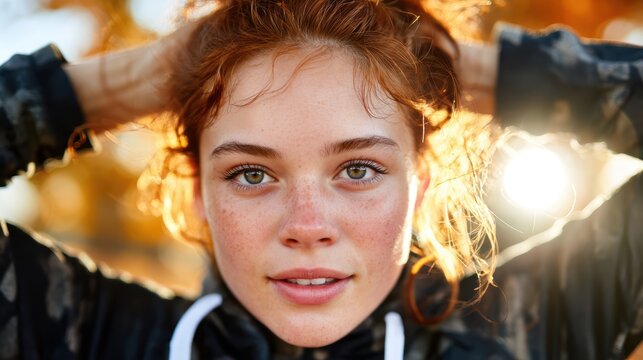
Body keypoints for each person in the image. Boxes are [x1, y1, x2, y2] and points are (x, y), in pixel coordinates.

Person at [0, 0, 641, 358]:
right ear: (198, 192)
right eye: (252, 173)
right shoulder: (91, 338)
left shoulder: (540, 325)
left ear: (418, 181)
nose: (308, 227)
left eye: (358, 169)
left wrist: (458, 71)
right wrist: (125, 82)